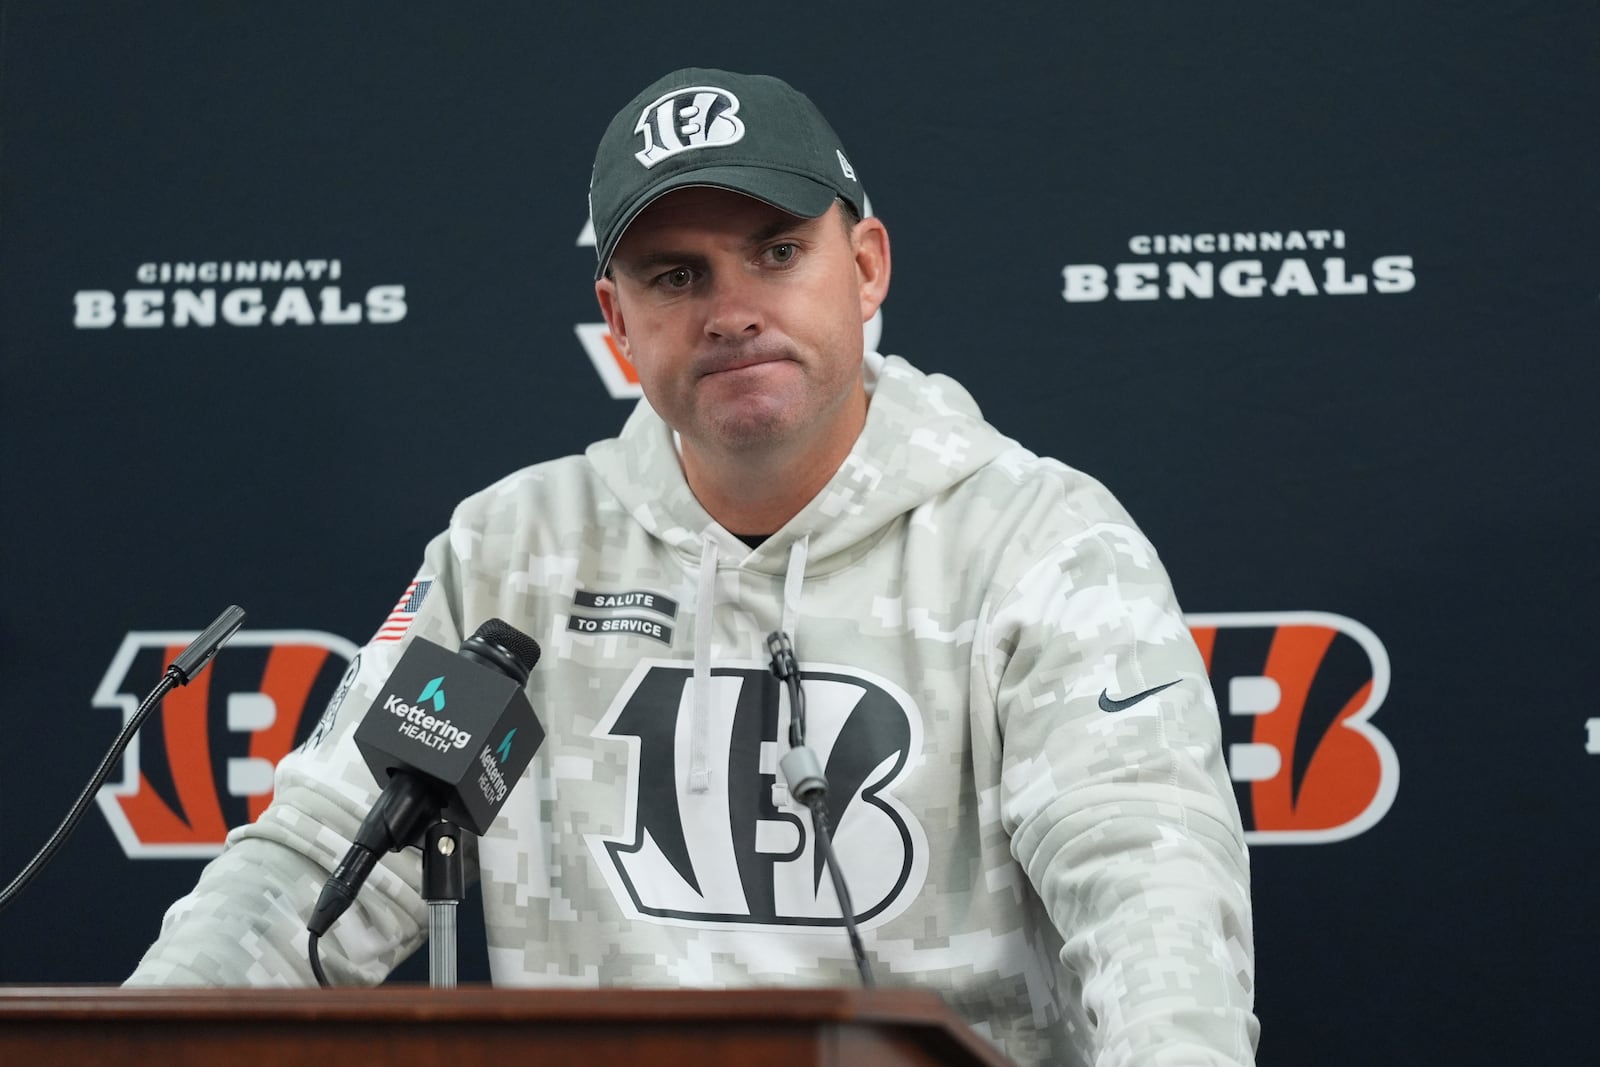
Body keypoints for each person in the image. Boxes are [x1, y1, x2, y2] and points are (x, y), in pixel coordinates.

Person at [128, 67, 1259, 1066]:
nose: (730, 310)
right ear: (616, 322)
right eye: (675, 277)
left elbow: (1146, 882)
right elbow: (324, 857)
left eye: (776, 252)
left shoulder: (1038, 540)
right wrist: (148, 1037)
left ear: (864, 266)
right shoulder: (513, 553)